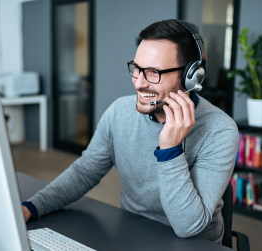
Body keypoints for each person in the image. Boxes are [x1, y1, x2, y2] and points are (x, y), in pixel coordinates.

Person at [21, 19, 239, 244]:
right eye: (137, 69)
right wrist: (31, 208)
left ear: (190, 77)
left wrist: (171, 149)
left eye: (153, 72)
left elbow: (188, 227)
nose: (139, 83)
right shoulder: (119, 112)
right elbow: (84, 172)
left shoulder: (219, 130)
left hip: (194, 245)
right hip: (132, 235)